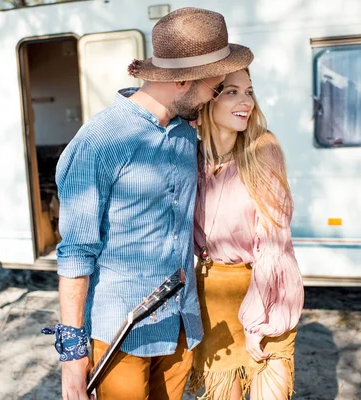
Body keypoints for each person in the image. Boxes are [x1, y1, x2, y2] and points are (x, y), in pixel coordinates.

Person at [49, 7, 253, 400]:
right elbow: (75, 253)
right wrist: (73, 353)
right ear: (181, 81)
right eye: (214, 86)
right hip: (121, 332)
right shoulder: (99, 143)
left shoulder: (183, 133)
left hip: (179, 324)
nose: (216, 94)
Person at [189, 68, 305, 400]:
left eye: (249, 91)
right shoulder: (190, 155)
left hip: (267, 294)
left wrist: (257, 324)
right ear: (207, 100)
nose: (246, 102)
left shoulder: (262, 148)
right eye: (232, 92)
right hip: (213, 296)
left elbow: (274, 242)